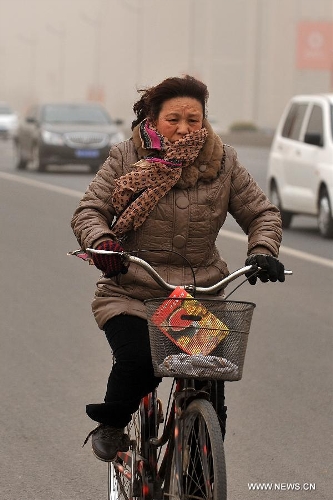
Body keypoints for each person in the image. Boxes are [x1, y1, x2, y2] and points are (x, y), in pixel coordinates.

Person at [71, 74, 285, 462]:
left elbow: (262, 214)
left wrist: (263, 250)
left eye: (194, 119)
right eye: (174, 119)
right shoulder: (126, 157)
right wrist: (102, 243)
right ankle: (113, 423)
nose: (184, 128)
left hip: (196, 296)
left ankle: (199, 464)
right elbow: (90, 211)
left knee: (210, 383)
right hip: (132, 290)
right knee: (139, 362)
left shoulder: (224, 162)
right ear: (152, 119)